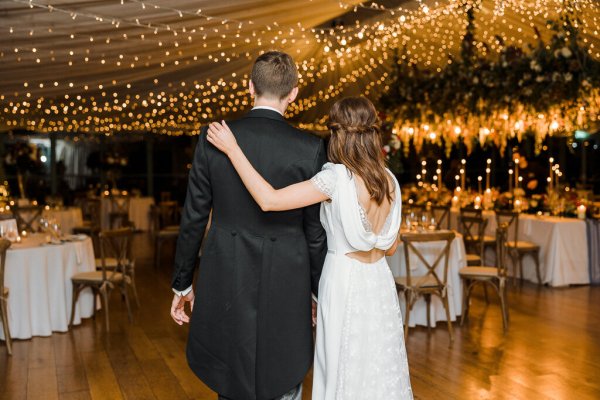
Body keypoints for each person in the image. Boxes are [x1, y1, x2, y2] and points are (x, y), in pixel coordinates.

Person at [207, 97, 414, 399]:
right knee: (376, 362)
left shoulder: (335, 179)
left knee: (340, 362)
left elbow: (269, 200)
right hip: (378, 282)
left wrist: (233, 150)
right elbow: (392, 247)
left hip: (343, 281)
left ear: (337, 133)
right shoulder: (390, 181)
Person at [169, 51, 327, 400]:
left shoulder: (214, 137)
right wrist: (316, 290)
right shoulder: (311, 148)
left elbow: (194, 216)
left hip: (228, 270)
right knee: (283, 370)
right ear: (294, 93)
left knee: (231, 372)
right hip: (288, 275)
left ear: (249, 87)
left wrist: (182, 283)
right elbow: (315, 232)